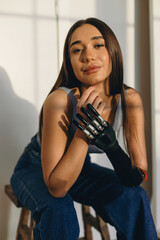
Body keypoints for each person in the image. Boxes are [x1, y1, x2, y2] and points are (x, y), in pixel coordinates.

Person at [10, 17, 158, 240]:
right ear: (69, 62)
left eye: (98, 45)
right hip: (35, 167)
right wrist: (84, 130)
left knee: (135, 197)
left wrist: (113, 147)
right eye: (76, 50)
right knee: (59, 209)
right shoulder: (60, 101)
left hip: (81, 169)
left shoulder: (130, 100)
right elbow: (57, 188)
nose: (88, 56)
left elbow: (138, 175)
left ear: (113, 51)